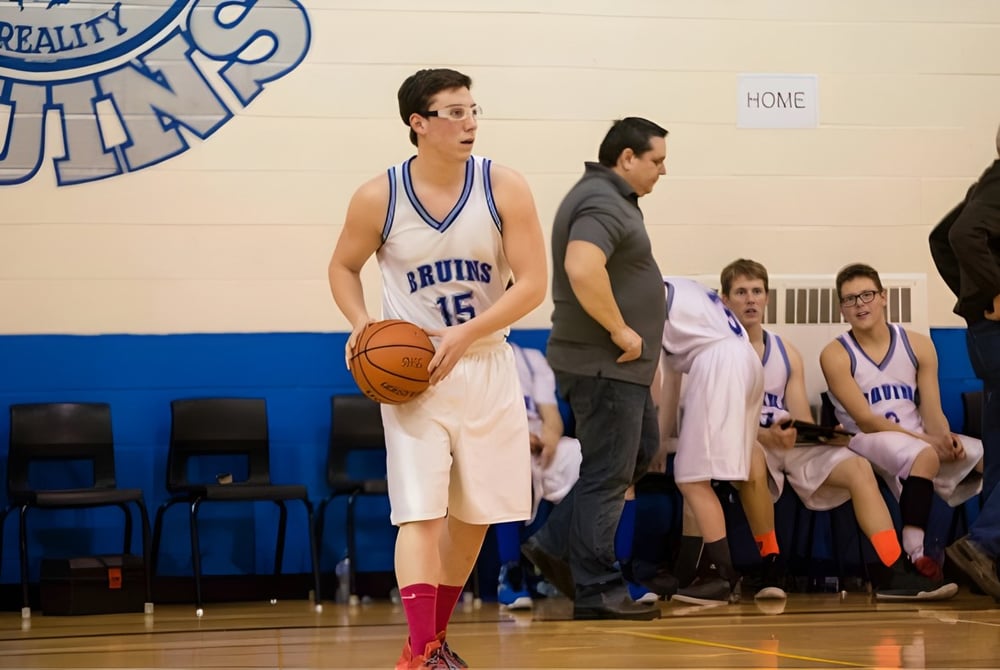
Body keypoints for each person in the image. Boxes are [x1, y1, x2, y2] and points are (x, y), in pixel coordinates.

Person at [327, 68, 547, 669]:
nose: (469, 121)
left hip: (486, 364)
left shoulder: (505, 186)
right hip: (415, 379)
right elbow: (343, 267)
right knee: (420, 512)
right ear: (417, 124)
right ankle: (423, 651)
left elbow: (533, 284)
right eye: (453, 112)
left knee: (474, 517)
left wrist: (468, 332)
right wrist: (362, 325)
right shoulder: (379, 196)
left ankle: (427, 643)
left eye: (473, 109)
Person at [721, 258, 957, 600]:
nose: (751, 299)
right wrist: (767, 436)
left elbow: (799, 416)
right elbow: (719, 421)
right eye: (741, 293)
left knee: (857, 466)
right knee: (754, 459)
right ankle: (767, 566)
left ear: (767, 298)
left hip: (787, 445)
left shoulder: (787, 352)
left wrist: (814, 435)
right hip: (747, 443)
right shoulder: (718, 353)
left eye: (757, 291)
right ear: (725, 300)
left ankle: (892, 570)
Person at [522, 117, 668, 621]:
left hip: (619, 370)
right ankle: (598, 588)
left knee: (638, 455)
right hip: (605, 365)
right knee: (609, 475)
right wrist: (622, 331)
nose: (662, 171)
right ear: (627, 158)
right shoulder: (603, 200)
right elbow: (583, 266)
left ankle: (554, 542)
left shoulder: (609, 199)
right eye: (657, 160)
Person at [820, 262, 984, 582]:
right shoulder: (835, 354)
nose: (860, 305)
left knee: (987, 459)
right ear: (842, 309)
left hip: (918, 437)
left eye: (866, 295)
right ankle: (916, 552)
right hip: (865, 441)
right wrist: (929, 442)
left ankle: (985, 552)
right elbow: (866, 420)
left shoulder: (919, 344)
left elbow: (933, 411)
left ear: (883, 297)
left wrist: (944, 436)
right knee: (924, 454)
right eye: (850, 299)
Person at [653, 276, 764, 606]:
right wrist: (661, 441)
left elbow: (660, 375)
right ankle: (690, 572)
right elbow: (672, 377)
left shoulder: (646, 288)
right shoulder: (687, 287)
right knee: (693, 474)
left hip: (721, 366)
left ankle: (723, 576)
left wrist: (655, 441)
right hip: (744, 363)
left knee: (691, 478)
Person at [929, 127, 1000, 601]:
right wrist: (990, 293)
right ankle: (984, 544)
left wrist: (975, 300)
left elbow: (939, 239)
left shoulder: (989, 181)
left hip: (986, 334)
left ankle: (988, 557)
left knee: (998, 449)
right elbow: (958, 235)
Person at [495, 342, 581, 610]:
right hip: (494, 439)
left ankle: (574, 565)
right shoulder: (469, 356)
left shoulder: (530, 358)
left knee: (583, 456)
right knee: (509, 464)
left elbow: (551, 416)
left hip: (538, 439)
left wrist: (551, 441)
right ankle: (511, 575)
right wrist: (517, 436)